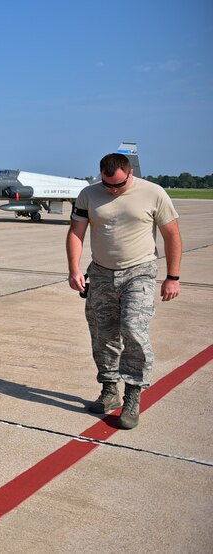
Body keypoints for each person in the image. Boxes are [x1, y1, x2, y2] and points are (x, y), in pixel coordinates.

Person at [67, 153, 181, 429]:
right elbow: (75, 232)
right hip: (101, 273)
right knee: (103, 332)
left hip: (139, 271)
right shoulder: (88, 195)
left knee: (133, 329)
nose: (113, 190)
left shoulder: (153, 193)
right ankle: (109, 390)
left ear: (129, 173)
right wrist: (74, 269)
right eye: (107, 185)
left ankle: (132, 395)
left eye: (118, 185)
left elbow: (172, 235)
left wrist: (172, 277)